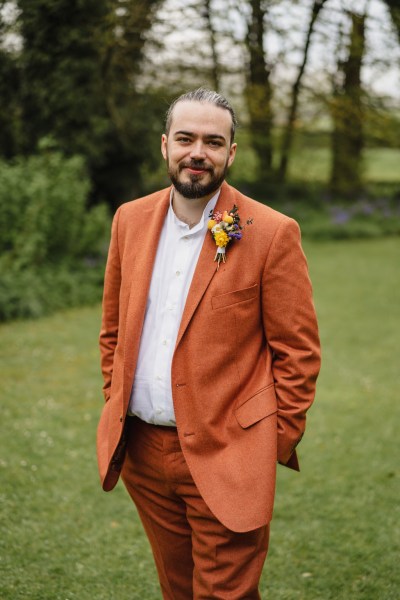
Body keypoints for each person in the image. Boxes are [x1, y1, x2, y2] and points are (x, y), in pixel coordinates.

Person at [97, 87, 321, 599]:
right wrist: (117, 395)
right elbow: (112, 329)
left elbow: (299, 352)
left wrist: (269, 443)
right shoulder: (129, 220)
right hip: (144, 455)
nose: (198, 151)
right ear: (165, 146)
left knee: (225, 595)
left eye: (213, 141)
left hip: (230, 454)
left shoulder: (270, 232)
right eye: (185, 138)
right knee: (176, 589)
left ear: (230, 153)